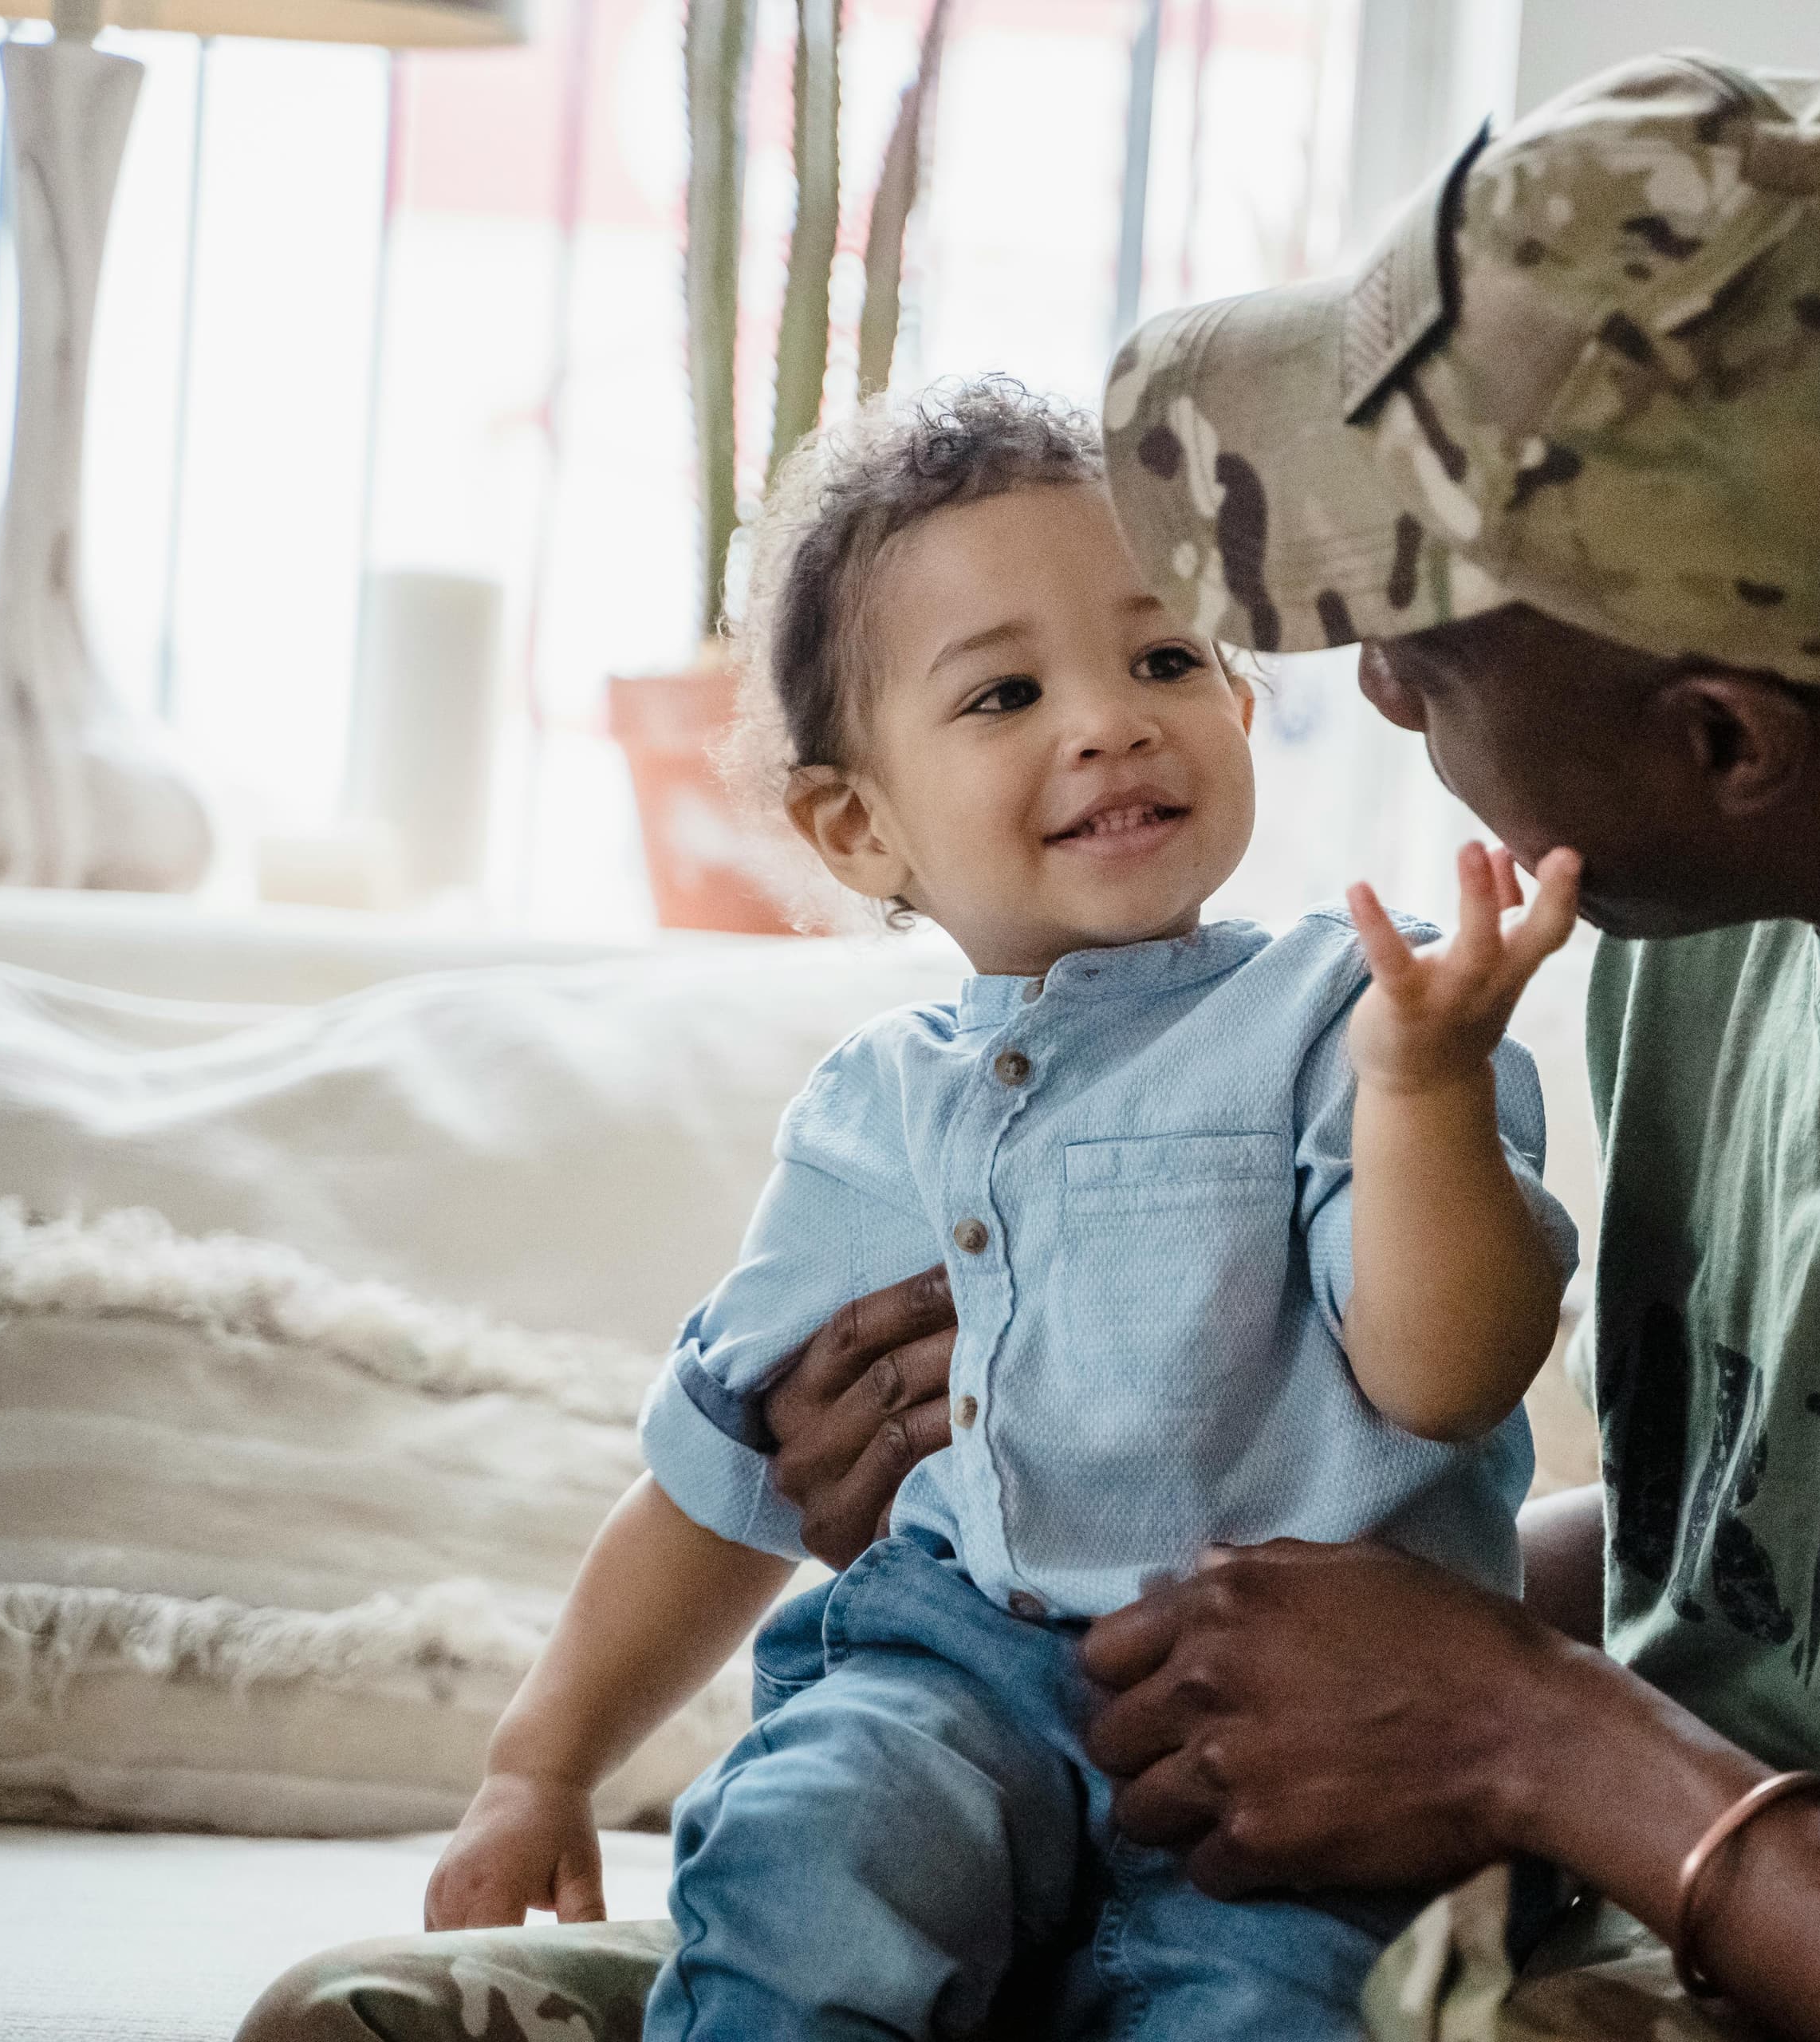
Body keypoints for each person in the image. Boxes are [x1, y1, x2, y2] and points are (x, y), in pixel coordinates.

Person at [241, 50, 1820, 2042]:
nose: (1341, 690)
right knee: (387, 2020)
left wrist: (1546, 1745)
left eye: (1412, 644)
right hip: (1631, 1927)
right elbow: (1790, 1577)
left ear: (1718, 732)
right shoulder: (1722, 903)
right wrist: (1089, 1478)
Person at [397, 380, 1583, 2042]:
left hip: (1309, 1743)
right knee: (813, 1842)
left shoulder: (1351, 1018)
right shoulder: (869, 1114)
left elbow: (1446, 1372)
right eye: (1008, 690)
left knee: (1277, 2004)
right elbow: (713, 1479)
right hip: (958, 1682)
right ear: (856, 822)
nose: (1107, 719)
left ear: (1240, 709)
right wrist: (540, 1760)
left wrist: (1427, 1087)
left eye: (1165, 659)